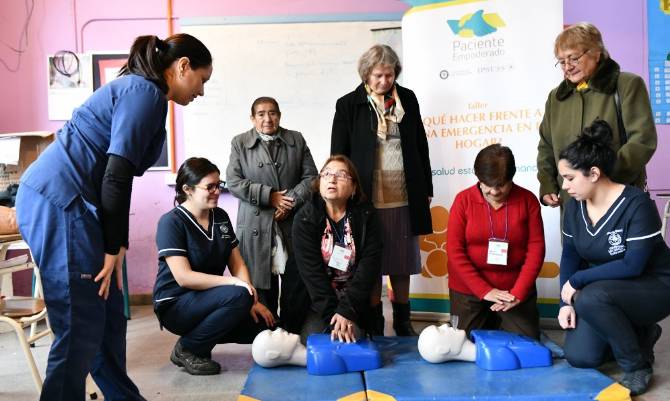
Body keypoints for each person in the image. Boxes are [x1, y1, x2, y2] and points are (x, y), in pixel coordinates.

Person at [15, 34, 212, 401]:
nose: (201, 91)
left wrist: (114, 244)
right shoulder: (144, 93)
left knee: (106, 316)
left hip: (76, 206)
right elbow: (116, 176)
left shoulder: (148, 97)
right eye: (202, 79)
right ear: (182, 66)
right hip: (59, 203)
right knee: (78, 323)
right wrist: (113, 246)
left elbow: (117, 176)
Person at [557, 119, 670, 396]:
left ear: (593, 173)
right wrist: (565, 302)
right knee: (580, 357)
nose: (564, 185)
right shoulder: (574, 208)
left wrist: (577, 282)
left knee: (591, 297)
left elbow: (633, 265)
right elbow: (570, 255)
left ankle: (636, 365)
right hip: (606, 290)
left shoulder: (636, 203)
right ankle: (641, 335)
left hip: (654, 286)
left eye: (570, 178)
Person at [331, 44, 433, 336]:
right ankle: (374, 320)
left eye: (389, 75)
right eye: (378, 76)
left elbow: (420, 145)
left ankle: (403, 320)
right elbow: (339, 152)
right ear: (366, 74)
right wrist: (339, 190)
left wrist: (425, 186)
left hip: (404, 193)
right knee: (371, 262)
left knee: (402, 261)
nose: (384, 82)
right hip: (367, 197)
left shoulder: (408, 99)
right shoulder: (349, 104)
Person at [153, 157, 272, 375]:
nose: (217, 191)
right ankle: (188, 348)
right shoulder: (171, 222)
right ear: (188, 189)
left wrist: (252, 300)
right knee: (239, 296)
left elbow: (236, 262)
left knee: (265, 326)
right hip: (176, 303)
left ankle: (198, 342)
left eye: (219, 185)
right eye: (210, 187)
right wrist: (236, 286)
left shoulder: (220, 216)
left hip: (209, 299)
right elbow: (184, 277)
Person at [537, 22, 656, 209]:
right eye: (561, 61)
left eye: (573, 58)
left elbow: (643, 140)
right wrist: (548, 184)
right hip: (572, 204)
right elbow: (546, 146)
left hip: (617, 199)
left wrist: (602, 181)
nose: (567, 67)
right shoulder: (555, 98)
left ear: (596, 52)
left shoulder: (627, 84)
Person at [226, 97, 318, 334]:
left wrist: (289, 202)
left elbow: (311, 178)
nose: (268, 119)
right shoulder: (240, 142)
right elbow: (234, 182)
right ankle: (267, 336)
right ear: (252, 118)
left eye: (272, 113)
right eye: (261, 114)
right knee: (260, 282)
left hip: (291, 220)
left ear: (279, 115)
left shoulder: (295, 139)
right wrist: (270, 196)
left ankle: (292, 332)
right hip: (256, 221)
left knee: (295, 282)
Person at [447, 144, 545, 340]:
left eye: (500, 184)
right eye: (486, 184)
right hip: (469, 289)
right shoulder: (463, 200)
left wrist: (518, 292)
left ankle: (499, 321)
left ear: (511, 178)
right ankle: (491, 321)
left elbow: (536, 249)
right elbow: (455, 251)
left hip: (512, 290)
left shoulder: (528, 200)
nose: (493, 191)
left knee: (526, 343)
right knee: (463, 342)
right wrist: (484, 291)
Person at [293, 155, 382, 344]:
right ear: (318, 184)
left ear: (353, 188)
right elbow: (312, 276)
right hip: (319, 305)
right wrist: (335, 317)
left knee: (350, 341)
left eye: (341, 175)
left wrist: (347, 311)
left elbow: (368, 270)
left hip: (356, 304)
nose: (332, 179)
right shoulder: (304, 219)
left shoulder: (367, 217)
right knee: (316, 342)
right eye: (326, 174)